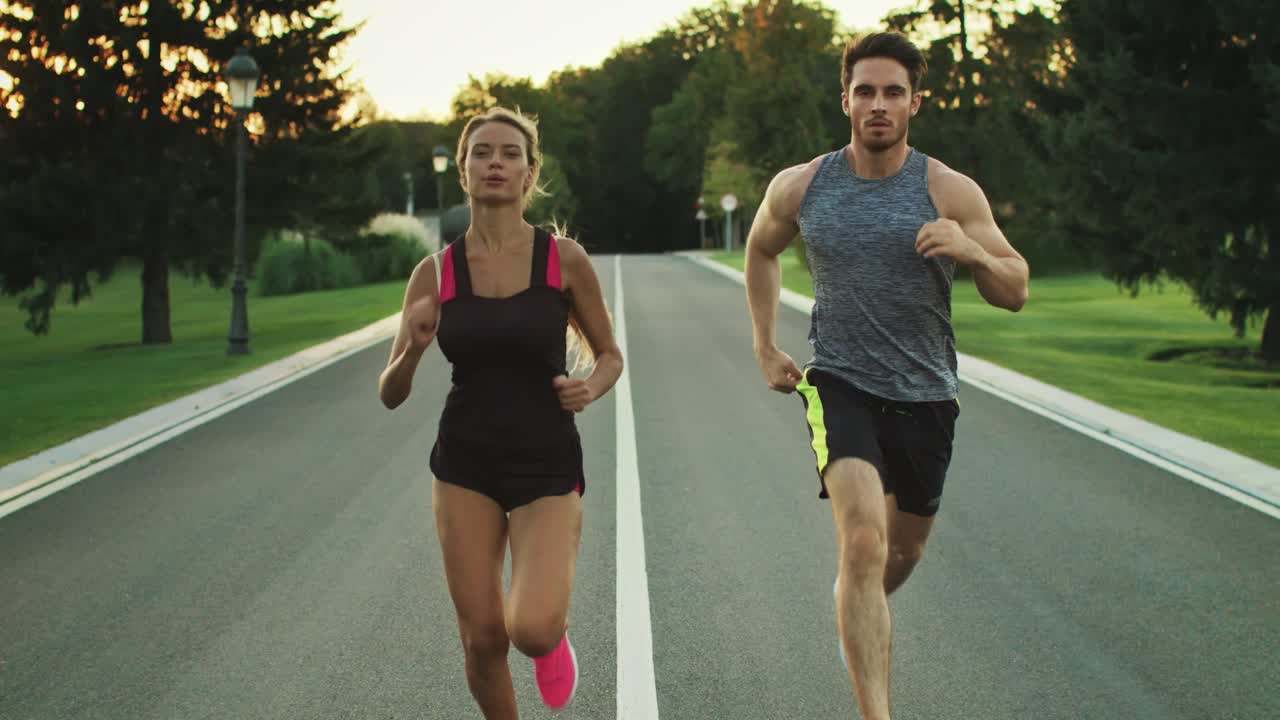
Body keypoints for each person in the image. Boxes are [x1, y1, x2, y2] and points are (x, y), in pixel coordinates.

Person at [743, 31, 1029, 720]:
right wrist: (762, 344)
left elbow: (1015, 287)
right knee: (864, 540)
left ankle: (855, 602)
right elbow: (760, 248)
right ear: (845, 99)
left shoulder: (947, 189)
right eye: (865, 91)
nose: (878, 104)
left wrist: (970, 250)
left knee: (898, 553)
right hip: (838, 382)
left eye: (892, 92)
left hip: (927, 394)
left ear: (915, 103)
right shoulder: (803, 184)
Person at [377, 106, 623, 718]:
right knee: (482, 638)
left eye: (510, 154)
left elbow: (611, 356)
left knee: (532, 628)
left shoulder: (563, 260)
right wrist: (412, 345)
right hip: (464, 463)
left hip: (546, 462)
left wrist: (589, 388)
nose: (495, 163)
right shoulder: (433, 273)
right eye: (482, 152)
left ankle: (550, 642)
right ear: (463, 172)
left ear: (529, 171)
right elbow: (390, 391)